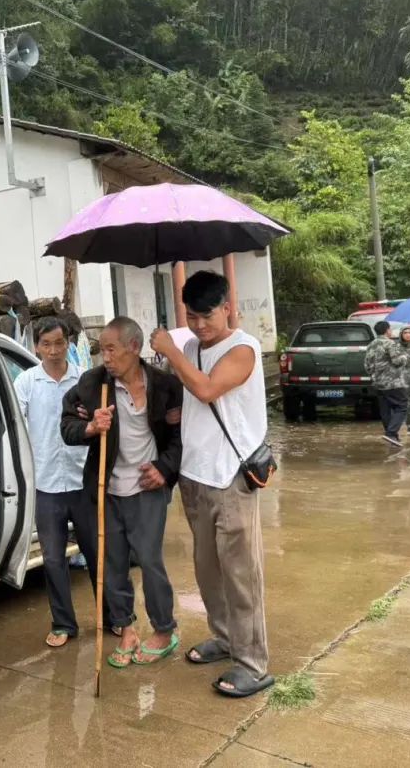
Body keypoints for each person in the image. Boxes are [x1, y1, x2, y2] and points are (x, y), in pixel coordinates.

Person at [150, 271, 273, 699]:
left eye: (207, 315)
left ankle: (253, 662)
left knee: (241, 574)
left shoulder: (244, 349)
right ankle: (224, 638)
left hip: (231, 477)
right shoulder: (190, 348)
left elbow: (205, 389)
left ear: (227, 308)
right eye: (192, 317)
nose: (199, 325)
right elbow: (195, 397)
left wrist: (170, 350)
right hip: (195, 475)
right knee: (207, 571)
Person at [61, 316, 183, 669]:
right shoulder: (92, 384)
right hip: (107, 489)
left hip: (147, 488)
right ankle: (126, 629)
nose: (107, 358)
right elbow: (67, 427)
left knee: (149, 560)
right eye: (102, 350)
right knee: (112, 564)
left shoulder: (165, 385)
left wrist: (164, 468)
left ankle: (164, 630)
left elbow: (180, 437)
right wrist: (90, 427)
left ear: (134, 347)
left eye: (112, 349)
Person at [14, 317, 99, 648]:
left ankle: (112, 617)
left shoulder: (85, 380)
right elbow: (16, 425)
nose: (53, 350)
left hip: (83, 480)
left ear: (68, 343)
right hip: (46, 483)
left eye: (59, 343)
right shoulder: (26, 382)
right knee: (53, 558)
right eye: (46, 344)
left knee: (97, 552)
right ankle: (63, 623)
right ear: (36, 347)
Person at [364, 320, 410, 447]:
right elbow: (396, 361)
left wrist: (375, 375)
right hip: (393, 383)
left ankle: (392, 437)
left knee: (385, 409)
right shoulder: (390, 343)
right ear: (387, 330)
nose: (391, 331)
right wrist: (405, 357)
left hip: (378, 383)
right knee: (402, 406)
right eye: (390, 329)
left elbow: (367, 366)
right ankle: (391, 433)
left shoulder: (371, 345)